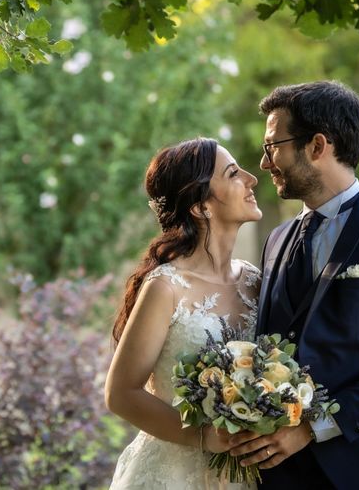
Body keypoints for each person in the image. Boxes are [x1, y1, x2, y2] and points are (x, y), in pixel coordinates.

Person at [226, 81, 359, 489]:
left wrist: (313, 427)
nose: (263, 162)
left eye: (273, 146)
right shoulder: (275, 240)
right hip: (274, 477)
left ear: (317, 146)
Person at [106, 137, 263, 489]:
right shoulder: (166, 287)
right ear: (200, 205)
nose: (252, 179)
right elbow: (121, 393)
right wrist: (206, 436)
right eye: (234, 173)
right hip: (173, 474)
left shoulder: (256, 280)